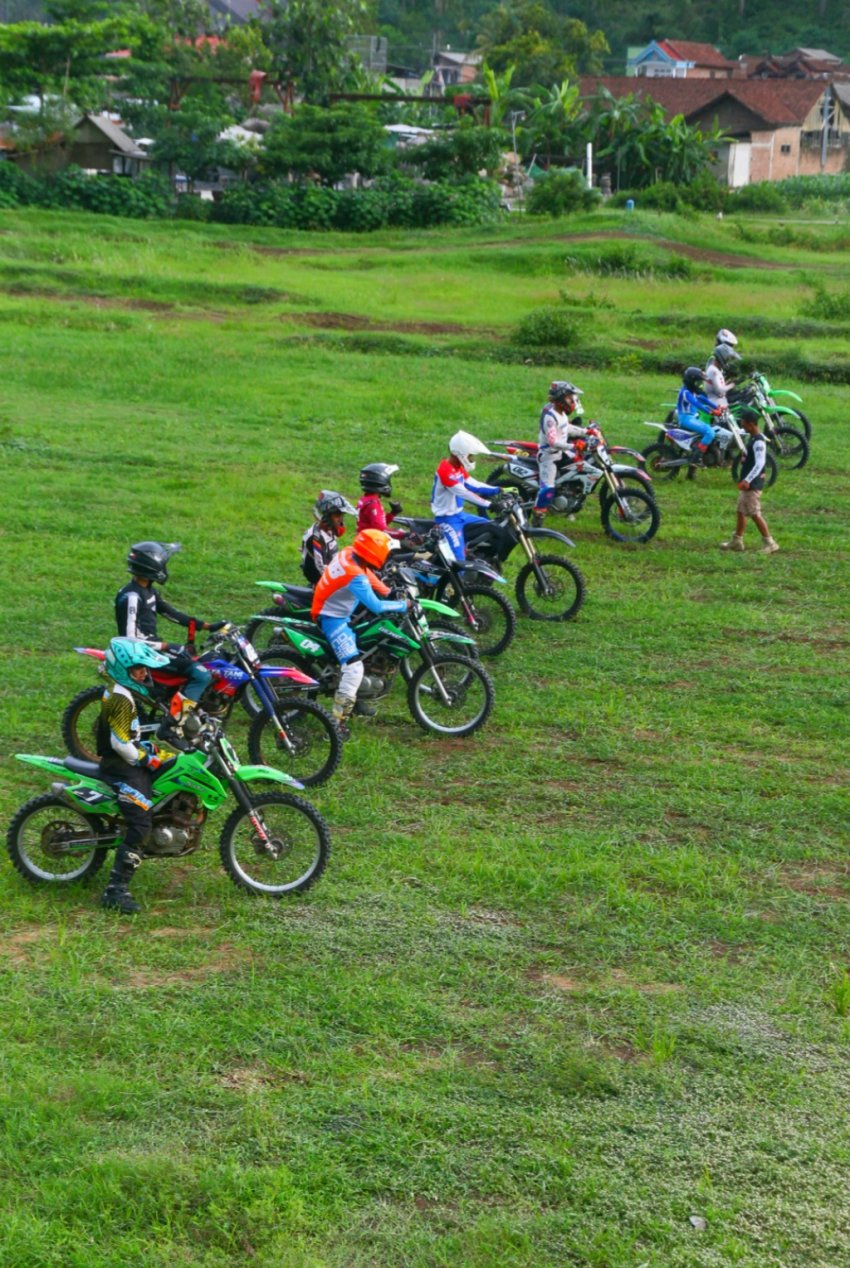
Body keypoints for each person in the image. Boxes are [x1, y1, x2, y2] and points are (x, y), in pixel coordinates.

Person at [96, 637, 171, 914]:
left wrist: (151, 750)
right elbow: (120, 744)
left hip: (127, 757)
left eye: (143, 668)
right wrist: (146, 758)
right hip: (120, 764)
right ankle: (115, 889)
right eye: (138, 669)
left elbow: (131, 735)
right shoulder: (119, 698)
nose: (143, 673)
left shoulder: (124, 692)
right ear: (123, 670)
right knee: (141, 823)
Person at [311, 529, 408, 737]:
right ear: (375, 554)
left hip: (341, 609)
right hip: (332, 618)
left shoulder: (349, 554)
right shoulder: (353, 574)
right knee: (354, 668)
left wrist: (386, 590)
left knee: (367, 649)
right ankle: (335, 725)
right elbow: (377, 607)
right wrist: (402, 605)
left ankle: (357, 700)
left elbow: (367, 575)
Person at [115, 541, 226, 704]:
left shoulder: (148, 590)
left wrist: (207, 626)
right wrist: (165, 646)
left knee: (206, 660)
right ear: (152, 567)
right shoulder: (132, 597)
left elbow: (171, 613)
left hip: (151, 648)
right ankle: (176, 722)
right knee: (202, 674)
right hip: (142, 652)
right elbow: (130, 638)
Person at [430, 430, 500, 560]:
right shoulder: (445, 470)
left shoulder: (458, 468)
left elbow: (473, 484)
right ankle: (459, 576)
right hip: (447, 520)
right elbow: (464, 492)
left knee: (493, 528)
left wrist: (499, 490)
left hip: (460, 515)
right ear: (461, 454)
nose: (472, 459)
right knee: (459, 560)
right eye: (470, 456)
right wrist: (490, 504)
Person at [720, 407, 779, 554]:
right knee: (741, 511)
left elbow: (760, 464)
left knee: (754, 513)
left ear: (751, 424)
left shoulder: (759, 442)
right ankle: (737, 541)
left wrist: (747, 480)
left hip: (752, 484)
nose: (742, 425)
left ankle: (770, 542)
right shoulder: (752, 438)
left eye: (743, 423)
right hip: (748, 483)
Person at [532, 380, 591, 521]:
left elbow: (566, 428)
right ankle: (537, 518)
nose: (573, 401)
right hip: (549, 456)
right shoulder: (550, 417)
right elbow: (553, 442)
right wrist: (574, 446)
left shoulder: (561, 413)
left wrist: (586, 432)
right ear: (560, 398)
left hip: (562, 452)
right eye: (569, 398)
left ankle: (570, 502)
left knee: (580, 466)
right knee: (548, 488)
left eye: (573, 398)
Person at [675, 366, 731, 465]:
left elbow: (703, 399)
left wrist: (717, 407)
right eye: (698, 382)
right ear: (691, 381)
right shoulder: (686, 393)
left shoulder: (692, 391)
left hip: (692, 417)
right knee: (710, 432)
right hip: (686, 418)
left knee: (712, 430)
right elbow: (696, 403)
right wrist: (711, 412)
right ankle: (696, 457)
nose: (699, 384)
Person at [300, 490, 356, 585]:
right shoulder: (316, 538)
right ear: (326, 516)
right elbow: (321, 568)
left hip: (331, 569)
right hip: (321, 579)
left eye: (342, 515)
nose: (341, 519)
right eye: (337, 515)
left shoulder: (328, 530)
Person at [356, 463, 407, 540]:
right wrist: (404, 535)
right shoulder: (373, 503)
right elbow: (380, 529)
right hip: (370, 544)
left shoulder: (366, 499)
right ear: (380, 481)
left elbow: (376, 523)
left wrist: (393, 513)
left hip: (364, 539)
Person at [704, 342, 740, 410]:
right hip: (717, 404)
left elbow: (717, 386)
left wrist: (729, 382)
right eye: (727, 358)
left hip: (721, 402)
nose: (727, 361)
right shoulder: (713, 371)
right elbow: (720, 390)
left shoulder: (716, 369)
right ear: (721, 357)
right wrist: (733, 384)